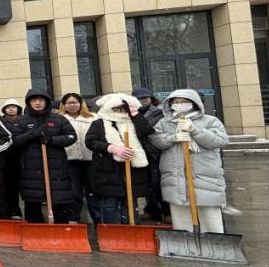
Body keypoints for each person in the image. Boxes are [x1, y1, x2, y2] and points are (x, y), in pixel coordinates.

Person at [150, 89, 229, 233]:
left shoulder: (210, 121)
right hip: (176, 177)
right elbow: (155, 140)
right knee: (181, 220)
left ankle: (214, 240)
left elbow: (219, 140)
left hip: (205, 177)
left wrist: (194, 130)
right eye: (176, 102)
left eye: (184, 102)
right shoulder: (165, 122)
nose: (179, 105)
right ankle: (184, 241)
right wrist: (173, 137)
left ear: (193, 103)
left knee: (210, 219)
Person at [11, 88, 78, 224]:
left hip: (56, 168)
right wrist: (32, 134)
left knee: (58, 201)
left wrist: (51, 140)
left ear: (46, 101)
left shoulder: (58, 119)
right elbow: (14, 141)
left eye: (41, 100)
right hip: (31, 169)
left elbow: (71, 136)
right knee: (33, 202)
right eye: (34, 100)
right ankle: (35, 230)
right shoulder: (21, 120)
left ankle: (62, 229)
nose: (38, 103)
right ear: (28, 102)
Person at [85, 93, 154, 224]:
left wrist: (135, 114)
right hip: (108, 169)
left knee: (130, 202)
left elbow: (147, 133)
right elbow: (91, 141)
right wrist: (110, 148)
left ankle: (131, 229)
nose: (120, 111)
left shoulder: (133, 121)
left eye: (123, 108)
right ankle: (111, 230)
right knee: (109, 202)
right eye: (116, 108)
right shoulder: (99, 123)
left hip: (132, 168)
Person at [59, 92, 98, 221]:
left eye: (74, 102)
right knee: (74, 191)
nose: (72, 105)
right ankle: (73, 218)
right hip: (69, 160)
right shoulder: (59, 119)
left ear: (81, 104)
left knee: (93, 190)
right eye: (68, 103)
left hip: (90, 159)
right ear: (64, 105)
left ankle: (98, 219)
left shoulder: (93, 118)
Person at [134, 87, 169, 222]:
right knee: (146, 183)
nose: (142, 101)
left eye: (145, 98)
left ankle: (167, 211)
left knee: (158, 183)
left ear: (151, 98)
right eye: (139, 98)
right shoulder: (131, 113)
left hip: (155, 151)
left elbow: (151, 131)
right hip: (140, 152)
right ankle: (151, 210)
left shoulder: (160, 113)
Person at [0, 99, 24, 218]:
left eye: (14, 106)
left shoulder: (24, 120)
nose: (11, 109)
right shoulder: (0, 122)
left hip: (22, 156)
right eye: (8, 107)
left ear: (18, 108)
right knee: (9, 185)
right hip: (6, 157)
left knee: (22, 185)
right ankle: (11, 210)